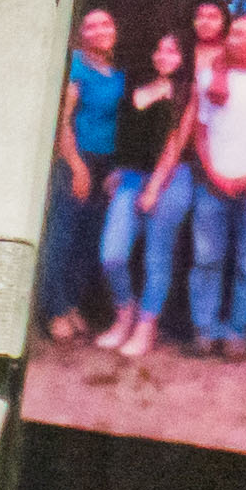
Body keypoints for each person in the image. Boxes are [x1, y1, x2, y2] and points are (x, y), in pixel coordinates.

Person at [164, 10, 246, 356]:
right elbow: (201, 130)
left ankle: (236, 332)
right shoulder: (211, 77)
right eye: (236, 34)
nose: (242, 40)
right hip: (212, 184)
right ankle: (205, 330)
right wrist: (212, 173)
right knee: (207, 259)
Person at [91, 27, 191, 356]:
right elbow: (127, 136)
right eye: (160, 50)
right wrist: (119, 168)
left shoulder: (186, 92)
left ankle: (146, 327)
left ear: (184, 57)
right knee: (113, 255)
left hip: (169, 180)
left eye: (173, 51)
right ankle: (125, 315)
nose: (164, 56)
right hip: (131, 177)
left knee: (156, 258)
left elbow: (174, 145)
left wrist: (154, 188)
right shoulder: (136, 85)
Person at [42, 3, 127, 342]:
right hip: (77, 159)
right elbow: (63, 120)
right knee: (63, 236)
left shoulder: (116, 73)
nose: (101, 31)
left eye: (106, 24)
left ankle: (72, 304)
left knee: (88, 240)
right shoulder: (76, 67)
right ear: (81, 34)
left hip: (106, 163)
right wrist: (76, 165)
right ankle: (55, 310)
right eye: (92, 26)